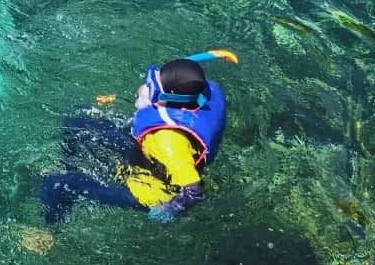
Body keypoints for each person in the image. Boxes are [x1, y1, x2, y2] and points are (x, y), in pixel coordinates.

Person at [39, 50, 236, 225]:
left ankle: (46, 232)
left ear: (169, 101)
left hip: (150, 192)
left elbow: (193, 190)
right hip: (147, 154)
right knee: (76, 121)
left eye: (152, 89)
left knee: (55, 184)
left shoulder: (169, 142)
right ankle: (70, 164)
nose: (142, 90)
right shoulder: (192, 100)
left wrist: (171, 210)